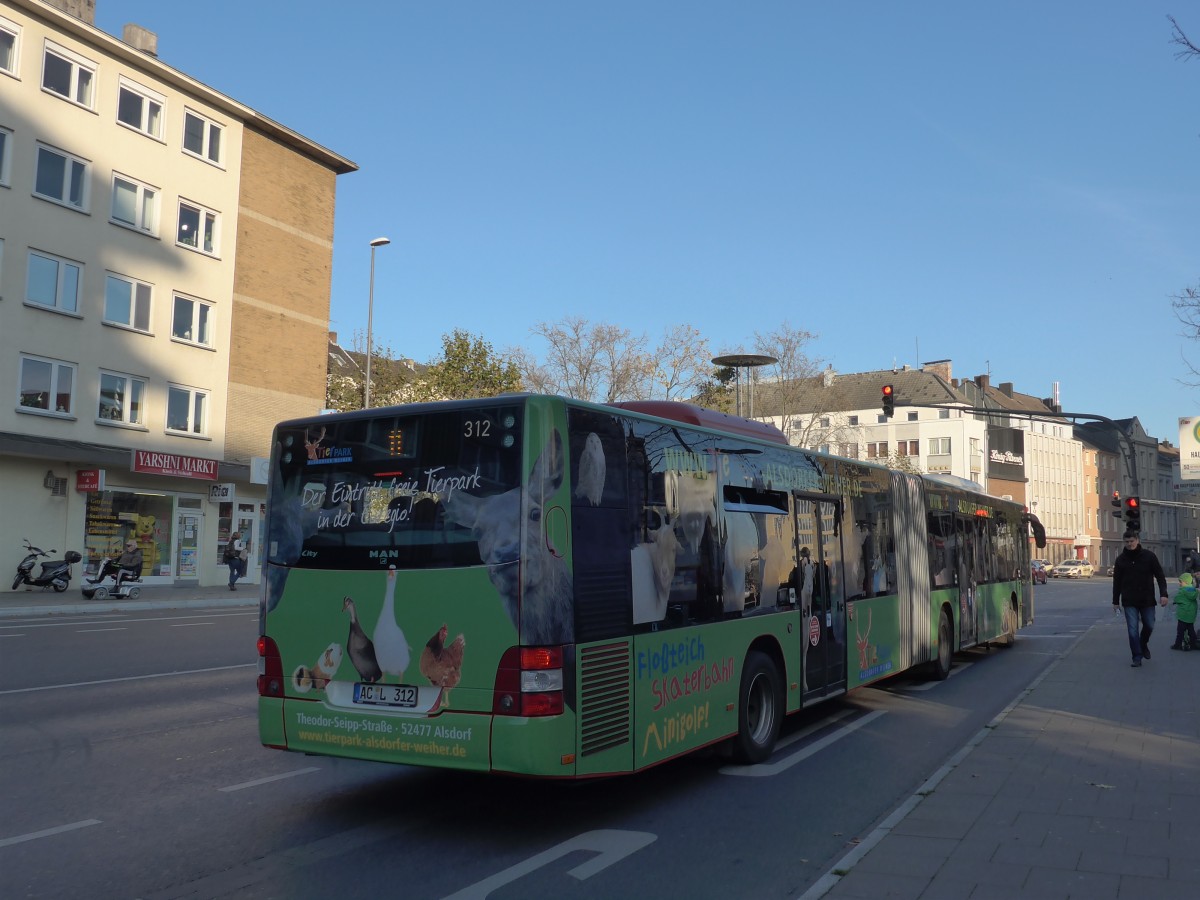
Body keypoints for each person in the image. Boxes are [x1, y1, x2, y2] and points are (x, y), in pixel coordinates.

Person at [1111, 530, 1169, 667]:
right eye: (1127, 542)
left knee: (1150, 624)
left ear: (1137, 540)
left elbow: (1160, 576)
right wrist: (1115, 602)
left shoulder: (1149, 556)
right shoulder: (1121, 560)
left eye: (1132, 541)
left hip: (1147, 598)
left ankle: (1143, 643)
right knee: (1132, 630)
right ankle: (1137, 657)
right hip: (1129, 600)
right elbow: (1116, 582)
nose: (1129, 544)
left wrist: (1164, 594)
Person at [1170, 572, 1198, 651]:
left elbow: (1177, 599)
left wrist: (1175, 601)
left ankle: (1177, 644)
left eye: (1181, 582)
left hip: (1183, 615)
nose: (1179, 583)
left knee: (1180, 631)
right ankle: (1193, 644)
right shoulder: (1193, 590)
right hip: (1191, 615)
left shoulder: (1183, 591)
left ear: (1186, 582)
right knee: (1191, 630)